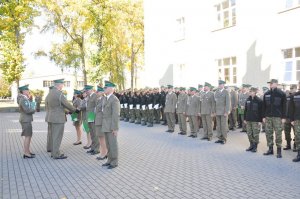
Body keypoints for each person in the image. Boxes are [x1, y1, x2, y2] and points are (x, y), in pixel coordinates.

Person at [47, 79, 77, 159]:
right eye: (62, 84)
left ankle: (53, 152)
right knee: (57, 136)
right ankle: (56, 154)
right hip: (58, 118)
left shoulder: (50, 93)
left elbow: (57, 106)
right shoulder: (59, 94)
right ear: (59, 85)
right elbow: (66, 104)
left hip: (51, 117)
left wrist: (68, 111)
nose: (63, 86)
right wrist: (74, 110)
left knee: (53, 136)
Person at [262, 79, 286, 158]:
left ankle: (279, 151)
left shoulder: (281, 94)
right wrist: (263, 116)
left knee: (278, 134)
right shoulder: (266, 94)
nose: (270, 84)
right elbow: (264, 106)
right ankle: (270, 149)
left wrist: (283, 117)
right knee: (268, 133)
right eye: (269, 83)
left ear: (276, 84)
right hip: (268, 117)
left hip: (277, 117)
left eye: (271, 83)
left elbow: (284, 106)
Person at [102, 81, 120, 169]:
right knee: (108, 144)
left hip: (111, 126)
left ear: (110, 89)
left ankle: (114, 161)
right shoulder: (106, 98)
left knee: (113, 144)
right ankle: (109, 160)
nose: (104, 89)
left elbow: (115, 115)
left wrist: (115, 128)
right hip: (105, 125)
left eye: (105, 88)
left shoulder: (114, 99)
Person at [18, 85, 36, 159]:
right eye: (27, 90)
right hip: (25, 120)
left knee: (29, 135)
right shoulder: (23, 99)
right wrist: (33, 109)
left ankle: (27, 151)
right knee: (27, 136)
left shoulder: (26, 98)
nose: (28, 91)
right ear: (23, 91)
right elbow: (27, 110)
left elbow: (28, 106)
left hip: (26, 119)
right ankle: (26, 153)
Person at [244, 87, 263, 152]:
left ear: (255, 92)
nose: (250, 92)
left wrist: (260, 120)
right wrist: (244, 119)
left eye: (251, 91)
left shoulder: (259, 100)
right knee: (249, 133)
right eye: (250, 91)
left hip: (255, 120)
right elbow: (245, 110)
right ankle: (251, 145)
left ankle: (255, 146)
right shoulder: (248, 99)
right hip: (248, 119)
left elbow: (261, 112)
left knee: (255, 134)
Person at [214, 80, 231, 144]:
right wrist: (214, 111)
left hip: (224, 112)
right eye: (219, 84)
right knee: (218, 126)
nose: (220, 85)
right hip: (217, 111)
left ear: (223, 85)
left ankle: (224, 138)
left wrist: (227, 111)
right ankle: (219, 138)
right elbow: (215, 102)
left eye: (221, 84)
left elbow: (228, 102)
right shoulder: (216, 92)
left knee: (223, 126)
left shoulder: (226, 92)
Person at [85, 85, 99, 155]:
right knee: (92, 133)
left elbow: (97, 107)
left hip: (93, 116)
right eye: (86, 91)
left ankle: (97, 149)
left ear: (91, 90)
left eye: (87, 90)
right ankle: (93, 147)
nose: (86, 92)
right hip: (90, 116)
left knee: (95, 133)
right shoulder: (89, 97)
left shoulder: (95, 96)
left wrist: (95, 117)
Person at [95, 86, 108, 161]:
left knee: (102, 138)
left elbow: (104, 112)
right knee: (100, 137)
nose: (97, 93)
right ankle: (103, 152)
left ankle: (104, 153)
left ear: (102, 92)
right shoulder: (99, 99)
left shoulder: (104, 99)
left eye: (98, 91)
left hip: (101, 121)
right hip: (98, 120)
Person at [283, 84, 297, 150]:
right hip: (287, 118)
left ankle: (295, 145)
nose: (291, 89)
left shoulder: (297, 97)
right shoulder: (287, 97)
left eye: (292, 88)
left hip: (294, 118)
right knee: (286, 132)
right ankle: (288, 145)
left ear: (295, 88)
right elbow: (284, 107)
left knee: (296, 133)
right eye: (290, 88)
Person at [289, 81, 300, 162]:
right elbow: (291, 108)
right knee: (298, 137)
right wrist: (292, 119)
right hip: (297, 119)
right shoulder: (294, 96)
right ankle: (299, 154)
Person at [45, 86, 53, 153]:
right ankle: (52, 147)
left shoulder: (48, 96)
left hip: (48, 116)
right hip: (53, 117)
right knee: (53, 133)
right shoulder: (51, 97)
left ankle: (49, 147)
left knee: (50, 132)